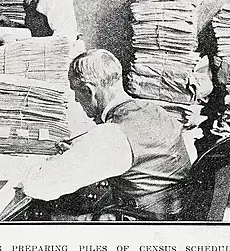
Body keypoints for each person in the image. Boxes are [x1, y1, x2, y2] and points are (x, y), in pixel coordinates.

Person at [22, 49, 192, 219]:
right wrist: (81, 151)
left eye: (75, 91)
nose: (75, 99)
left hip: (145, 226)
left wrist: (49, 161)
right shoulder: (155, 110)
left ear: (89, 91)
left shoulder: (112, 135)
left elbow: (37, 186)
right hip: (175, 213)